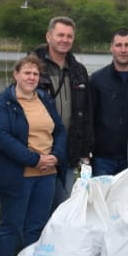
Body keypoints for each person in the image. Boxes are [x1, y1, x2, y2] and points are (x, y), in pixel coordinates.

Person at [0, 54, 67, 256]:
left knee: (36, 225)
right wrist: (34, 159)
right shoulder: (3, 103)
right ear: (16, 75)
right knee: (11, 224)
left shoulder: (44, 99)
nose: (31, 77)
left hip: (47, 174)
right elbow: (2, 138)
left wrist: (56, 156)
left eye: (35, 74)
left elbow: (59, 130)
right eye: (27, 73)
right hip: (17, 174)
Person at [32, 16, 91, 210]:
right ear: (49, 36)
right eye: (60, 35)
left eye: (69, 36)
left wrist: (85, 151)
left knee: (64, 208)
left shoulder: (79, 70)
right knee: (39, 209)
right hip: (40, 150)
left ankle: (58, 241)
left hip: (69, 151)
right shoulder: (32, 68)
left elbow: (86, 113)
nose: (65, 40)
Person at [89, 29, 128, 177]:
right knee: (101, 199)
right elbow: (89, 116)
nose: (123, 50)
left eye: (127, 45)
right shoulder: (97, 79)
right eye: (118, 45)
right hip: (102, 158)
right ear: (111, 47)